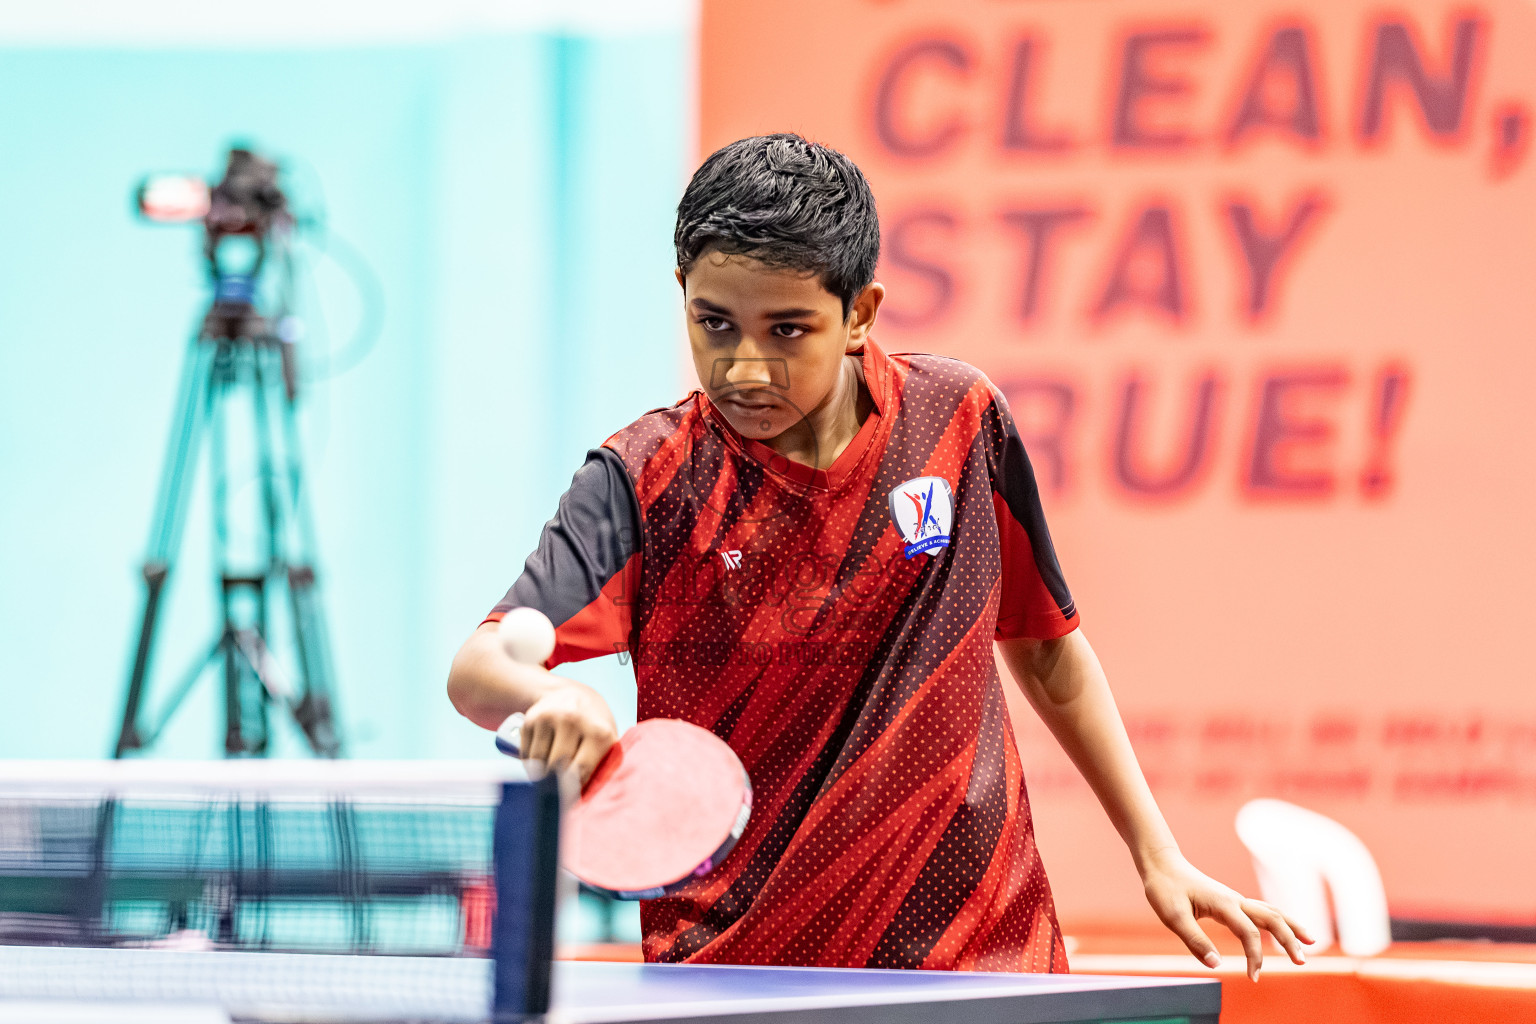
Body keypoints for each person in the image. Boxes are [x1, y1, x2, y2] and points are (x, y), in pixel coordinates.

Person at [447, 133, 1311, 977]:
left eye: (788, 331)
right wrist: (550, 694)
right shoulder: (646, 478)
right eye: (715, 323)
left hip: (981, 953)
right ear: (682, 293)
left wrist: (1156, 854)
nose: (745, 367)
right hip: (740, 973)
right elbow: (479, 668)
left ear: (860, 312)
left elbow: (1048, 651)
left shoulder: (962, 422)